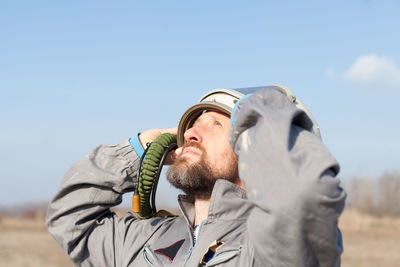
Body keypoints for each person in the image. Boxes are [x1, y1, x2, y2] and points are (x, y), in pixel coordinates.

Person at [46, 85, 346, 266]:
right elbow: (69, 220)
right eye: (192, 124)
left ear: (254, 145)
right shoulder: (149, 237)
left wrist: (268, 119)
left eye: (215, 124)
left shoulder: (271, 248)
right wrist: (137, 152)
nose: (189, 133)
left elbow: (304, 197)